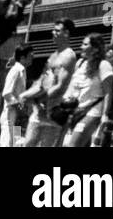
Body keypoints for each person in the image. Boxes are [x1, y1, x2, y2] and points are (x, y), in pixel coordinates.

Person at [21, 17, 78, 147]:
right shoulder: (53, 55)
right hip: (39, 112)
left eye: (57, 30)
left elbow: (60, 86)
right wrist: (26, 95)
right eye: (53, 30)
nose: (53, 32)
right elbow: (41, 81)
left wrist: (38, 100)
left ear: (66, 33)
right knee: (27, 144)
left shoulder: (69, 55)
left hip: (53, 113)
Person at [59, 34, 113, 148]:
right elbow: (72, 87)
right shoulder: (80, 63)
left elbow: (108, 92)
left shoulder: (104, 65)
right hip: (76, 111)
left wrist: (105, 115)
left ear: (95, 48)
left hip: (92, 112)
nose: (81, 47)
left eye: (85, 44)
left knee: (73, 144)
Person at [92, 43, 113, 147]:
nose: (106, 55)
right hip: (102, 112)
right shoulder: (104, 72)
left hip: (112, 114)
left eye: (109, 54)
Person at [0, 43, 32, 146]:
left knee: (16, 144)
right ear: (23, 57)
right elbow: (6, 93)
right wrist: (19, 107)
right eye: (30, 56)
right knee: (7, 144)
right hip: (10, 115)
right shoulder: (16, 70)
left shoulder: (22, 71)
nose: (32, 58)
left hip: (17, 116)